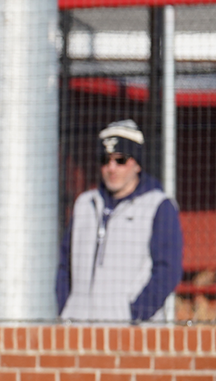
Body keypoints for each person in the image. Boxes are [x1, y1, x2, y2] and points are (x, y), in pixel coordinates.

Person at [57, 120, 184, 323]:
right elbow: (65, 264)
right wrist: (68, 308)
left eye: (121, 160)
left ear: (137, 163)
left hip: (130, 334)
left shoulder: (158, 206)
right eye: (105, 160)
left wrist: (134, 315)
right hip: (78, 332)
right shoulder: (84, 204)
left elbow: (169, 270)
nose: (111, 168)